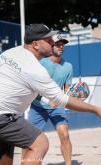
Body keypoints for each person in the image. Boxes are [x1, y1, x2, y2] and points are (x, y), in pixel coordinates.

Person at [0, 23, 101, 165]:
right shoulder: (35, 68)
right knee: (40, 143)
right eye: (48, 40)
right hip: (2, 116)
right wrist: (95, 109)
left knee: (4, 162)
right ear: (35, 44)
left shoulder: (10, 53)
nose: (53, 42)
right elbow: (61, 98)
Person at [28, 34, 74, 165]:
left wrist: (67, 101)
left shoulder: (68, 67)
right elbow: (33, 88)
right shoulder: (40, 63)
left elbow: (67, 89)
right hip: (38, 106)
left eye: (63, 45)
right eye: (58, 44)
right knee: (30, 140)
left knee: (64, 134)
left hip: (57, 107)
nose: (61, 47)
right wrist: (47, 101)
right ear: (51, 46)